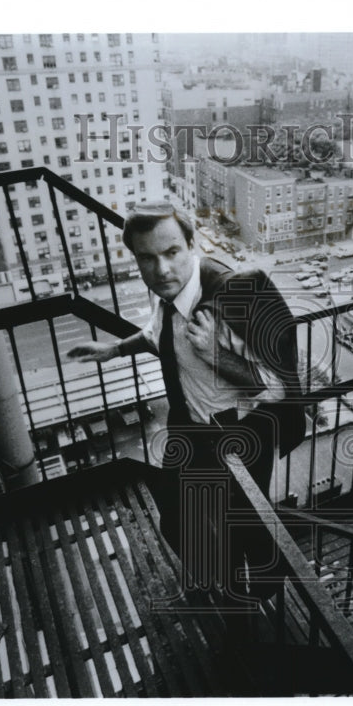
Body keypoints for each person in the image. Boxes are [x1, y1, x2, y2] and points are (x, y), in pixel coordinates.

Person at [68, 204, 304, 615]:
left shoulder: (236, 292)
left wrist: (219, 356)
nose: (161, 269)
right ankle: (216, 577)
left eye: (172, 252)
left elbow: (282, 390)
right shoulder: (169, 293)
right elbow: (158, 334)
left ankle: (260, 595)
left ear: (192, 246)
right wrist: (115, 349)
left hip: (240, 435)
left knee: (249, 527)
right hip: (191, 430)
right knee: (178, 519)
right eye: (147, 258)